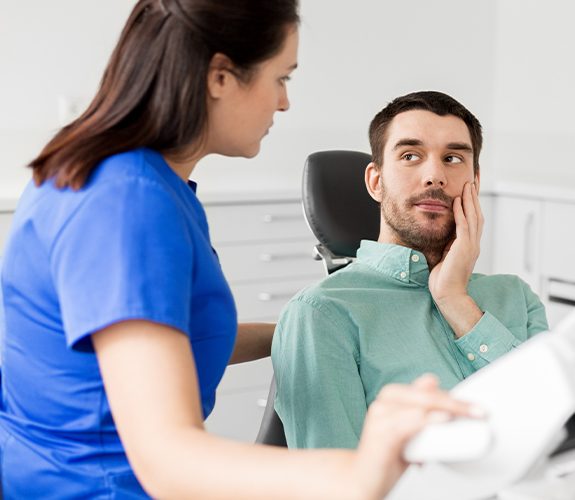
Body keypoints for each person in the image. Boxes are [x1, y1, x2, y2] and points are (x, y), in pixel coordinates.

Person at [0, 3, 477, 499]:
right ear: (221, 77)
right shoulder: (127, 203)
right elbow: (169, 461)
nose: (284, 102)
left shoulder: (137, 180)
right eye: (281, 78)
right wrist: (360, 471)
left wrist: (314, 328)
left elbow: (162, 343)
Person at [272, 90, 549, 449]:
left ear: (475, 184)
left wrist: (455, 299)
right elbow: (335, 481)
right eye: (410, 156)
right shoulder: (322, 314)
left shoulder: (517, 297)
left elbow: (551, 427)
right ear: (375, 181)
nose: (434, 175)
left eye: (452, 158)